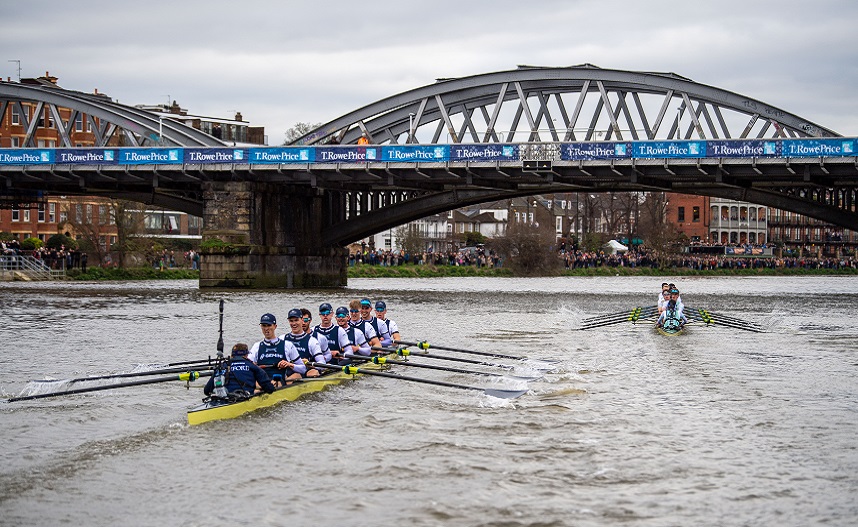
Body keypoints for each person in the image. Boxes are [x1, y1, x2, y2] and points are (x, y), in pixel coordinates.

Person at [248, 313, 305, 386]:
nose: (266, 329)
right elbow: (248, 368)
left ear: (275, 326)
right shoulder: (257, 346)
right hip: (263, 382)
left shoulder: (287, 345)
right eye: (264, 326)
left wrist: (289, 364)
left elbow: (303, 369)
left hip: (279, 381)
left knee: (278, 384)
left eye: (269, 325)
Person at [204, 342, 276, 399]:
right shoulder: (253, 366)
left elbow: (207, 391)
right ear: (246, 355)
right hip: (243, 398)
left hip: (223, 399)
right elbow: (270, 389)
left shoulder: (222, 366)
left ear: (232, 355)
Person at [283, 308, 325, 377]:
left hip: (306, 372)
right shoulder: (283, 339)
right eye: (291, 321)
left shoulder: (312, 341)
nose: (294, 324)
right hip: (288, 372)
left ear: (302, 320)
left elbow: (322, 364)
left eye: (296, 320)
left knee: (312, 373)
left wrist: (309, 364)